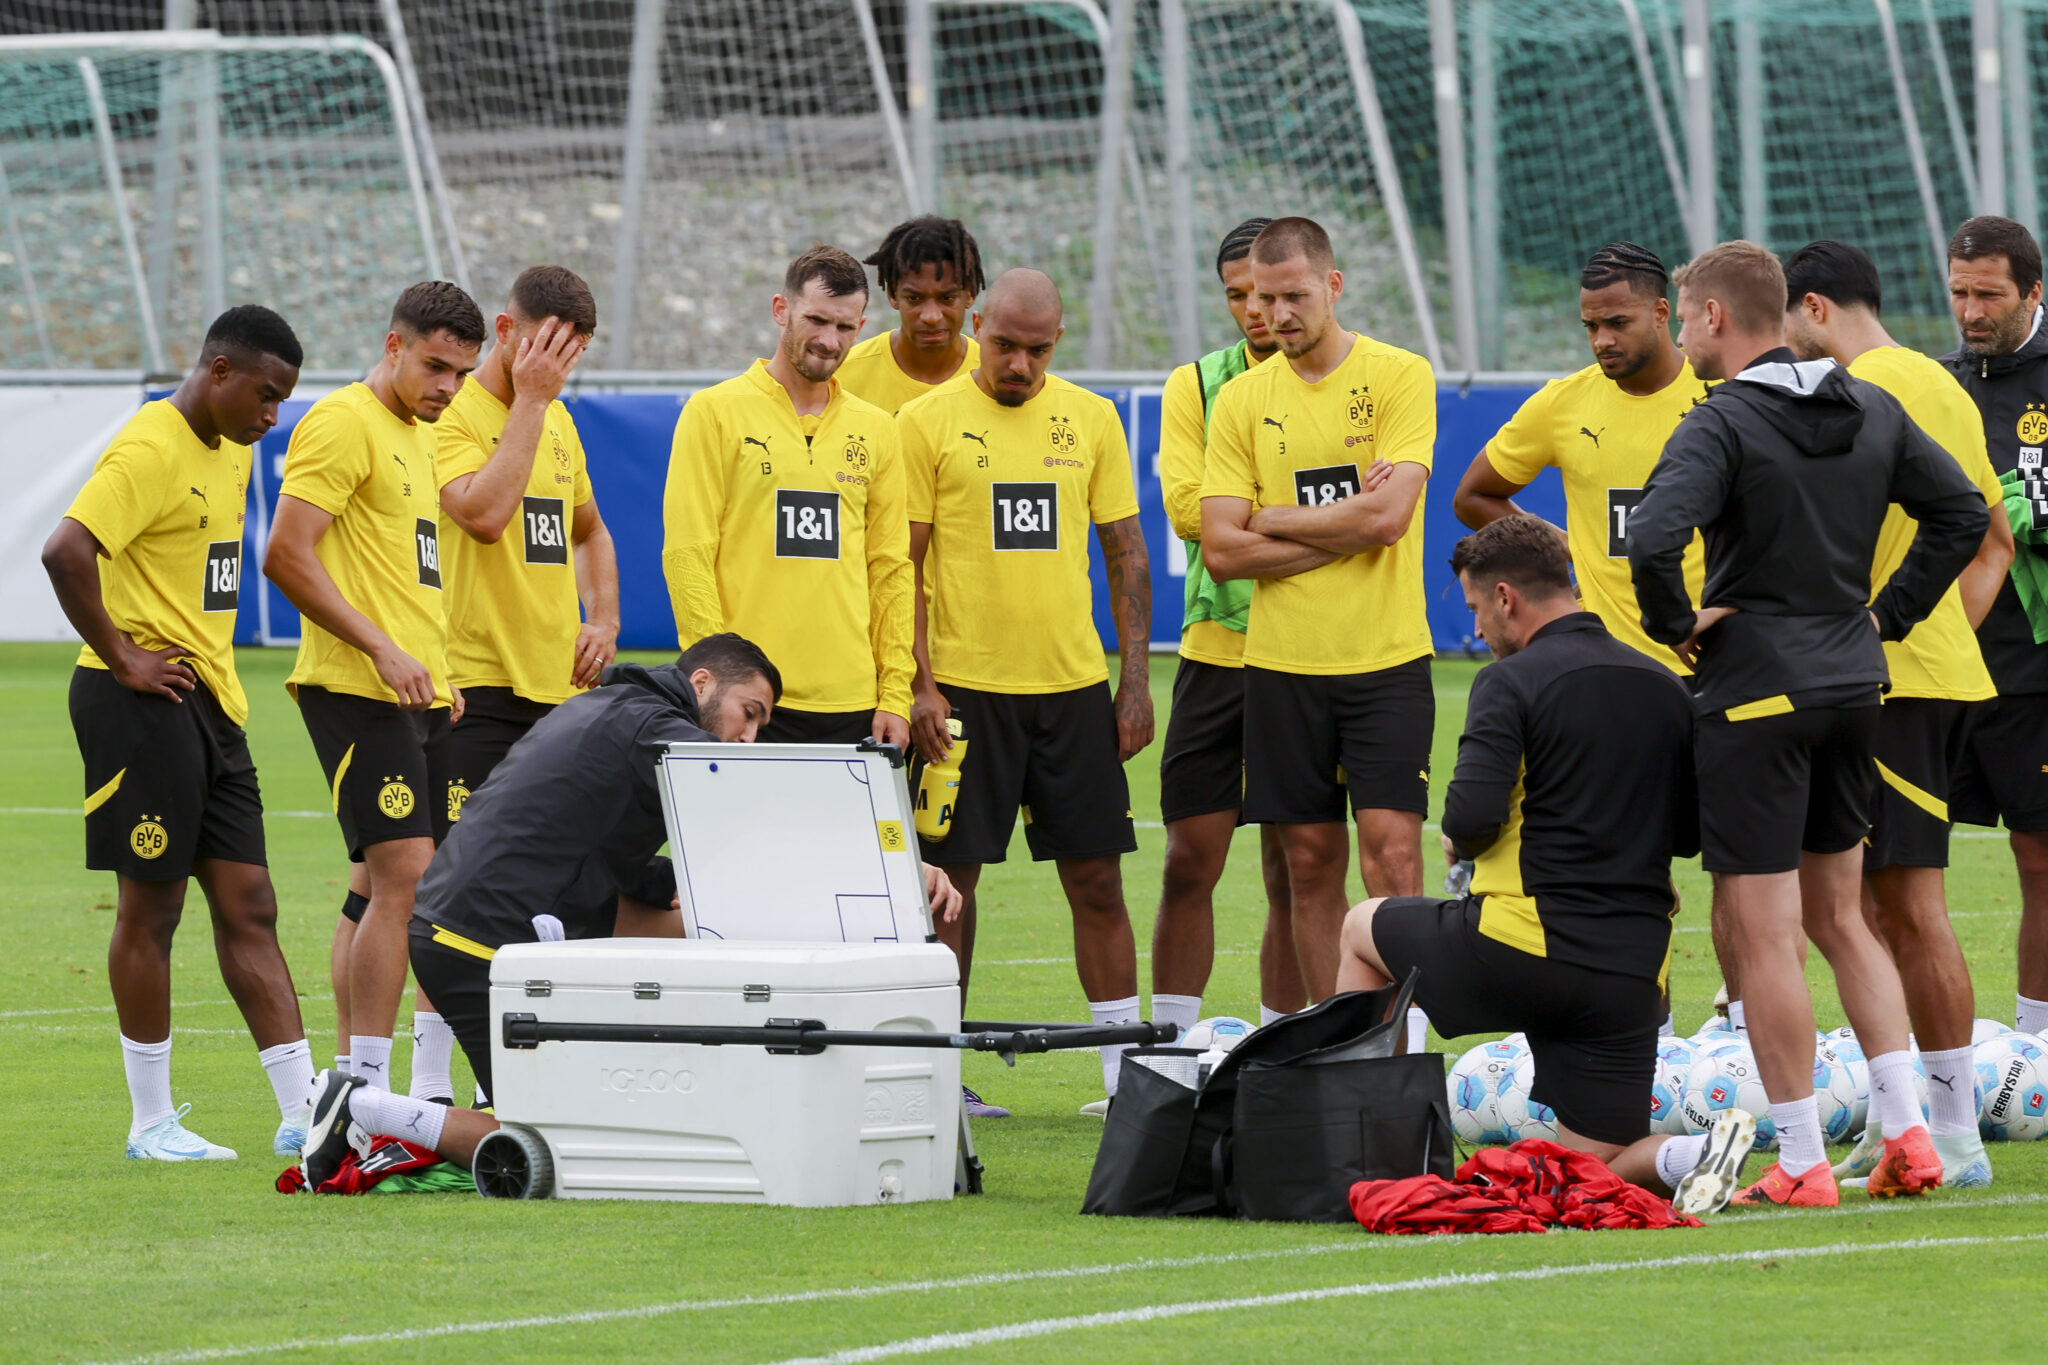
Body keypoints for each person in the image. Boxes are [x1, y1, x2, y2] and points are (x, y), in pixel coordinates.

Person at [297, 633, 961, 1179]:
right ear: (701, 683)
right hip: (484, 935)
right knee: (561, 1147)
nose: (749, 736)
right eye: (749, 712)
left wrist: (657, 879)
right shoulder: (654, 724)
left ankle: (732, 1076)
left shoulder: (618, 709)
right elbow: (765, 808)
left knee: (700, 916)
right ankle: (368, 1105)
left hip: (503, 917)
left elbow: (597, 840)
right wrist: (905, 867)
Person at [1627, 240, 1987, 1206]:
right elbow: (1960, 513)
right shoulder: (1872, 403)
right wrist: (1887, 615)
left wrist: (1676, 624)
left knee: (1766, 932)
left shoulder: (1720, 421)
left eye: (1683, 313)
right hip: (1853, 686)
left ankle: (1800, 1161)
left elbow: (1654, 539)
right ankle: (1911, 1135)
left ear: (1711, 318)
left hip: (1756, 694)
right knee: (1842, 916)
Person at [1335, 516, 1751, 1214]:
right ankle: (1693, 1153)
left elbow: (1469, 818)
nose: (1475, 629)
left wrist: (1460, 844)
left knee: (1360, 927)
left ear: (1505, 597)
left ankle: (1368, 1147)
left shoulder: (1510, 681)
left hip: (1520, 946)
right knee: (1590, 1165)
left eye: (1474, 609)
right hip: (1630, 977)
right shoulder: (1664, 685)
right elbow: (1686, 833)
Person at [42, 306, 316, 1161]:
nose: (272, 417)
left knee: (251, 904)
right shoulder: (151, 445)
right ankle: (150, 1121)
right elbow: (65, 550)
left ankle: (304, 1111)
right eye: (266, 396)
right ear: (220, 369)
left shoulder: (230, 449)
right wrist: (121, 655)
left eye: (284, 403)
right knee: (152, 908)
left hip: (213, 702)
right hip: (138, 704)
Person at [1781, 239, 2014, 1189]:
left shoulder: (1870, 388)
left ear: (1816, 308)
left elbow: (1978, 531)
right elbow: (1994, 540)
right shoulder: (1942, 382)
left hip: (1897, 685)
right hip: (1911, 674)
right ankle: (1905, 1121)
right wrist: (1942, 636)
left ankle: (1954, 1136)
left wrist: (1900, 640)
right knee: (1864, 905)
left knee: (1906, 906)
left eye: (1786, 322)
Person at [898, 267, 1153, 1118]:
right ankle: (941, 1077)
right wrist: (921, 684)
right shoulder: (924, 422)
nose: (1019, 364)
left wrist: (1134, 685)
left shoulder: (1091, 418)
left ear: (1059, 342)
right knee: (947, 885)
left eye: (1037, 350)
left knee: (1099, 882)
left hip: (1073, 692)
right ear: (977, 325)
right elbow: (903, 568)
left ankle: (1125, 1081)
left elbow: (1126, 552)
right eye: (1005, 345)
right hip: (964, 698)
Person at [1451, 241, 1713, 1037]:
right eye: (1590, 324)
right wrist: (1557, 550)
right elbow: (1476, 493)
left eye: (1618, 321)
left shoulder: (1720, 397)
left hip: (1718, 670)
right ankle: (1648, 1028)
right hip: (1611, 681)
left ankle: (1736, 1024)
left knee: (1739, 865)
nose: (1602, 339)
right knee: (1627, 867)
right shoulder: (1566, 404)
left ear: (1664, 313)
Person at [1199, 216, 1436, 1004]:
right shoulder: (1238, 399)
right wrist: (1342, 530)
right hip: (1280, 665)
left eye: (1294, 295)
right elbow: (1222, 552)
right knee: (1305, 862)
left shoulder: (1401, 376)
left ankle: (1399, 1047)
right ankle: (1340, 1040)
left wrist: (1269, 515)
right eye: (1263, 299)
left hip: (1386, 658)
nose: (1276, 315)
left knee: (1394, 861)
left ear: (1333, 286)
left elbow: (1389, 520)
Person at [262, 280, 484, 1094]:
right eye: (434, 366)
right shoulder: (341, 421)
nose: (447, 388)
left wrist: (439, 670)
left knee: (374, 889)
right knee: (412, 880)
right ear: (393, 345)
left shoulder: (423, 436)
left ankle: (355, 1085)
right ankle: (370, 1090)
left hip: (419, 694)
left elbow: (410, 575)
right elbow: (287, 553)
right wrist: (386, 652)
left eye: (462, 374)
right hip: (354, 687)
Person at [411, 264, 618, 1103]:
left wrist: (601, 617)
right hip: (475, 686)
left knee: (553, 885)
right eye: (546, 348)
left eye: (572, 357)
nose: (557, 368)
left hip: (552, 695)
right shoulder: (455, 412)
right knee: (458, 887)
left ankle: (528, 1074)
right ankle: (427, 1083)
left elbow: (590, 529)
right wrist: (530, 400)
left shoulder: (560, 420)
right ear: (507, 330)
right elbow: (484, 513)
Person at [662, 246, 912, 747]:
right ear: (781, 310)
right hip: (749, 703)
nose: (828, 340)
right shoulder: (713, 412)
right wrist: (718, 679)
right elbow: (688, 554)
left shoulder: (878, 429)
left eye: (844, 327)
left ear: (860, 327)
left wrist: (894, 696)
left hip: (852, 703)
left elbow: (890, 569)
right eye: (816, 320)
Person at [1152, 216, 1299, 1034]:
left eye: (1268, 293)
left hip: (1305, 652)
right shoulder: (1198, 384)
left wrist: (1242, 512)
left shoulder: (1340, 380)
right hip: (1216, 651)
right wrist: (1313, 521)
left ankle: (1281, 1043)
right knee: (1188, 860)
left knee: (1291, 864)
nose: (1255, 310)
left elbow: (1229, 517)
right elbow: (1187, 514)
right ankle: (1171, 1047)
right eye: (1238, 295)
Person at [1940, 215, 2048, 1042]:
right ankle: (1922, 1058)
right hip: (1936, 662)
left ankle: (2037, 1041)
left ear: (2033, 293)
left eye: (1990, 295)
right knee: (1895, 866)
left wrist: (2021, 507)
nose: (1972, 312)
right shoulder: (1939, 385)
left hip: (2032, 667)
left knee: (2039, 859)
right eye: (1959, 293)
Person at [838, 216, 986, 414]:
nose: (931, 317)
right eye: (914, 299)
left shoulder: (993, 376)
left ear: (970, 294)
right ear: (892, 295)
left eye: (947, 298)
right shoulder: (842, 377)